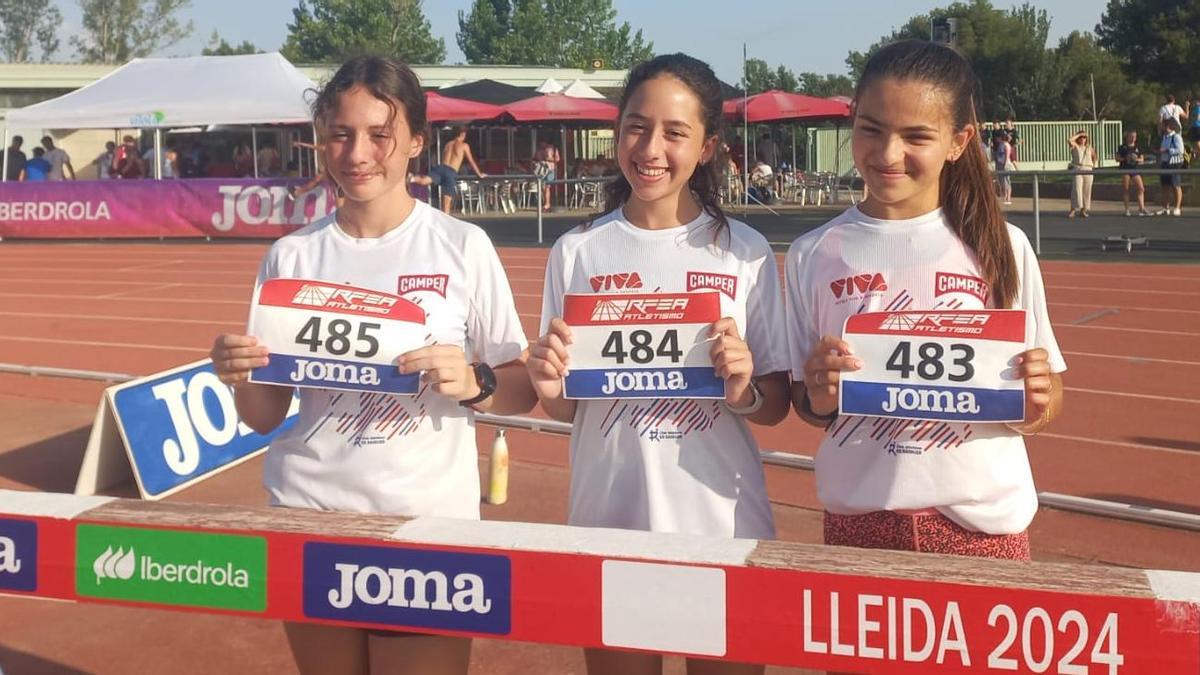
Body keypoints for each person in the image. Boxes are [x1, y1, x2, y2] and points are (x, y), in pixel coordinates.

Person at [209, 55, 535, 675]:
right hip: (309, 515)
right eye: (341, 133)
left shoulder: (462, 247)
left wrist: (475, 383)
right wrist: (240, 375)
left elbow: (519, 388)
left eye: (380, 135)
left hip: (425, 524)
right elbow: (263, 415)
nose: (358, 153)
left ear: (416, 141)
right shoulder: (292, 256)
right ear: (322, 141)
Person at [528, 53, 789, 675]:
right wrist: (547, 385)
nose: (650, 148)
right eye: (636, 126)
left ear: (706, 148)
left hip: (720, 525)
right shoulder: (578, 250)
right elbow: (568, 403)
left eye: (675, 133)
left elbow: (776, 404)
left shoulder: (743, 253)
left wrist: (745, 387)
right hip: (609, 520)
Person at [785, 40, 1065, 578]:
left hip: (982, 534)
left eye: (916, 136)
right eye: (871, 129)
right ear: (852, 123)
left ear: (959, 141)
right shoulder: (813, 254)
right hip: (858, 529)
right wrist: (817, 394)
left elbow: (1047, 394)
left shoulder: (1001, 246)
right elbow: (809, 402)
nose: (888, 154)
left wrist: (1039, 399)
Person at [427, 126, 487, 214]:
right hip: (450, 171)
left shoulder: (448, 144)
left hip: (441, 168)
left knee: (426, 180)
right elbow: (471, 161)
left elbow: (442, 157)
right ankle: (445, 220)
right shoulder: (464, 146)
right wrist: (479, 173)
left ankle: (412, 178)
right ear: (462, 134)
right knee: (447, 201)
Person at [1115, 131, 1149, 216]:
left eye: (1135, 136)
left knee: (1141, 188)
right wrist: (1125, 158)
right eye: (1131, 136)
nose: (1133, 138)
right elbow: (1117, 158)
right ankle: (1127, 210)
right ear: (1128, 137)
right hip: (1125, 169)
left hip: (1135, 170)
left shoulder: (1137, 147)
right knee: (1126, 189)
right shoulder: (1122, 147)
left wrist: (1136, 159)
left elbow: (1142, 159)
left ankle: (1141, 208)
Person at [1157, 117, 1185, 216]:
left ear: (1168, 126)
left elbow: (1180, 150)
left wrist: (1167, 150)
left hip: (1174, 164)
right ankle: (1165, 207)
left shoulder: (1176, 137)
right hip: (1164, 163)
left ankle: (1177, 207)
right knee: (1165, 186)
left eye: (1163, 125)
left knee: (1175, 185)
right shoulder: (1164, 137)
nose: (1161, 127)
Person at [1066, 130, 1097, 218]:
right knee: (1077, 189)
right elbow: (1069, 140)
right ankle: (1073, 209)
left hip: (1088, 168)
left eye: (1084, 137)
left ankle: (1084, 210)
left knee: (1087, 190)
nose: (1083, 139)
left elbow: (1094, 156)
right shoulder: (1075, 146)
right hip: (1078, 167)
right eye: (1081, 137)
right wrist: (1079, 134)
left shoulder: (1089, 147)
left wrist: (1093, 165)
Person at [532, 140, 559, 211]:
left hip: (550, 169)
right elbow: (534, 159)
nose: (542, 144)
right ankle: (546, 202)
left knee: (547, 187)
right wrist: (536, 162)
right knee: (542, 187)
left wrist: (549, 159)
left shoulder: (553, 149)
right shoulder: (538, 150)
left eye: (543, 142)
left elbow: (557, 159)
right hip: (541, 170)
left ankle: (547, 204)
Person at [993, 131, 1016, 205]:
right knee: (1002, 181)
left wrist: (1005, 163)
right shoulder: (1000, 144)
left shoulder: (1006, 145)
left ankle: (1008, 197)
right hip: (1000, 164)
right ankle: (1005, 196)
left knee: (1007, 181)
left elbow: (1007, 155)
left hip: (1005, 164)